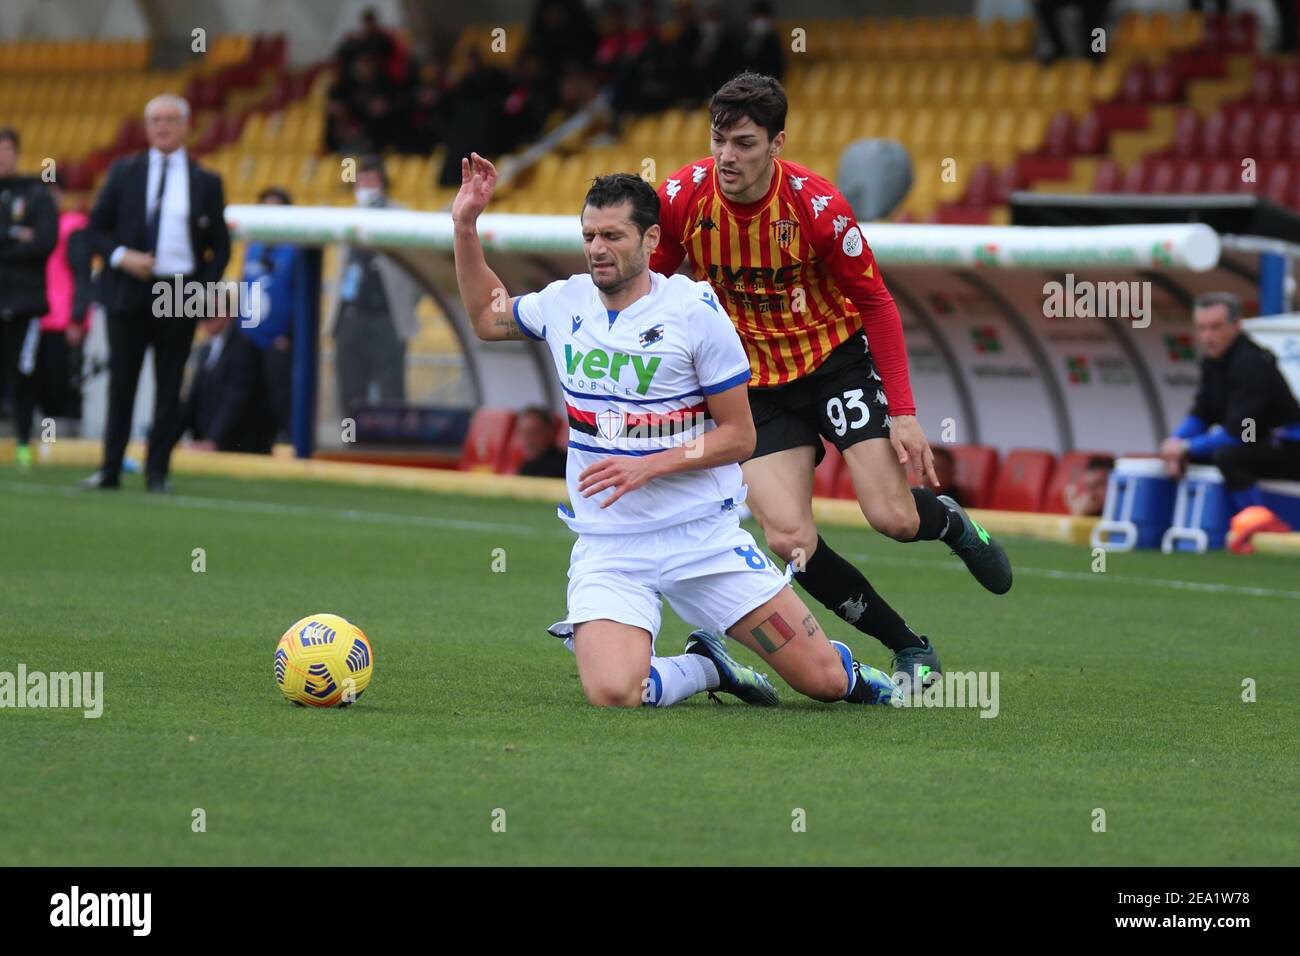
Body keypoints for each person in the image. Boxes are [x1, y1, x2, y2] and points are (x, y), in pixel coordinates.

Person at [453, 156, 903, 709]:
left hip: (702, 539)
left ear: (650, 239)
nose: (597, 248)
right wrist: (465, 227)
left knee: (823, 685)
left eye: (613, 236)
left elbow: (739, 437)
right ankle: (705, 667)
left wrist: (651, 464)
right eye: (589, 235)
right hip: (610, 545)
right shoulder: (564, 301)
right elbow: (485, 317)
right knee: (614, 692)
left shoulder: (696, 312)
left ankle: (848, 670)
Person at [647, 72, 1013, 692]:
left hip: (832, 365)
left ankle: (948, 522)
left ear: (777, 143)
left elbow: (877, 304)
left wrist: (902, 411)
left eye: (743, 143)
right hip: (756, 387)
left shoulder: (817, 208)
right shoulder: (683, 198)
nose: (726, 156)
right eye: (719, 140)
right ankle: (908, 646)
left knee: (892, 518)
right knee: (790, 541)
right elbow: (653, 291)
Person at [80, 94, 230, 492]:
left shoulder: (206, 181)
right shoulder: (124, 172)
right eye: (155, 120)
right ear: (146, 128)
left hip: (178, 289)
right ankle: (110, 467)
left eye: (170, 119)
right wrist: (119, 256)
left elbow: (221, 246)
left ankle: (157, 472)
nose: (162, 127)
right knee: (123, 381)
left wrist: (202, 288)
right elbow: (95, 228)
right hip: (129, 287)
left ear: (185, 125)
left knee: (169, 385)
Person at [1160, 292, 1300, 553]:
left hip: (1290, 447)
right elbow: (1201, 413)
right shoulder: (1213, 363)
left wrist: (1187, 447)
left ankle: (1259, 523)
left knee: (1229, 455)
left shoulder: (1253, 363)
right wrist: (1176, 443)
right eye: (1201, 328)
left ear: (1237, 325)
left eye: (1215, 327)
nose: (1207, 337)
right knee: (1197, 456)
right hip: (1257, 443)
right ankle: (1187, 529)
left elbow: (1241, 431)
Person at [328, 155, 421, 418]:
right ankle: (351, 443)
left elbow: (417, 274)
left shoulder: (402, 216)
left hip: (386, 316)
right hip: (351, 314)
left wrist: (405, 302)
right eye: (362, 180)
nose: (366, 185)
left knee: (391, 387)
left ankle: (393, 444)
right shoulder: (348, 218)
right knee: (350, 387)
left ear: (382, 182)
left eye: (372, 179)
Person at [0, 126, 59, 468]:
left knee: (23, 374)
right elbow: (28, 242)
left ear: (17, 153)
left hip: (25, 305)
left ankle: (24, 442)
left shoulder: (35, 194)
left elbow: (44, 243)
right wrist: (13, 234)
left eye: (6, 150)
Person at [240, 186, 302, 441]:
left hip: (278, 339)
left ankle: (288, 440)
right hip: (248, 336)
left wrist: (289, 334)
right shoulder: (252, 248)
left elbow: (301, 297)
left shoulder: (295, 251)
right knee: (246, 392)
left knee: (280, 394)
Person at [180, 305, 276, 455]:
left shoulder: (243, 347)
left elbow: (235, 399)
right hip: (213, 440)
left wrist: (214, 440)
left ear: (228, 314)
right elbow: (194, 398)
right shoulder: (206, 349)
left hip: (240, 446)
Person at [515, 405, 566, 478]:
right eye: (522, 432)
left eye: (533, 432)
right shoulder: (525, 467)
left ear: (548, 432)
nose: (526, 438)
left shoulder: (564, 465)